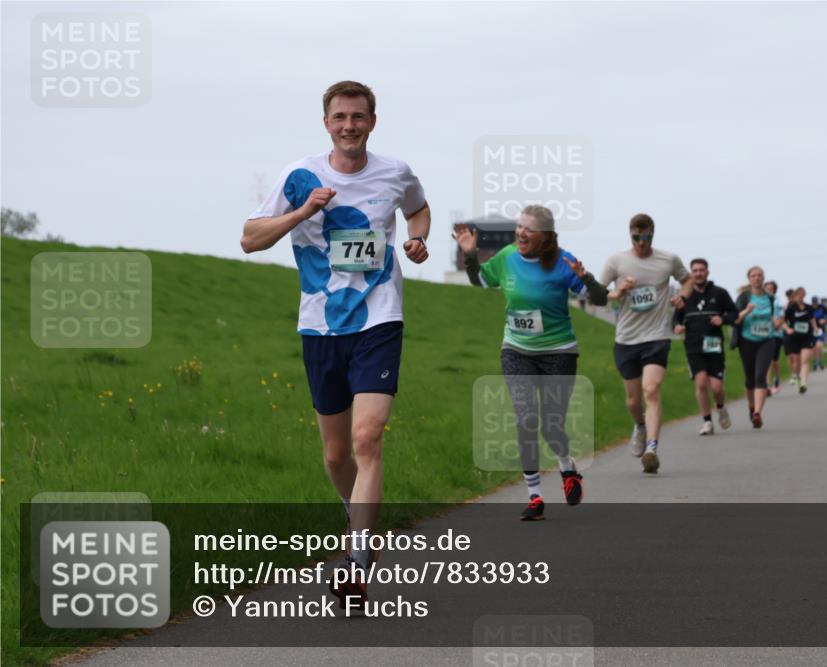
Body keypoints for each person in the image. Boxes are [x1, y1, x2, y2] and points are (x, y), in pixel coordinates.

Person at [241, 81, 431, 607]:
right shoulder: (300, 176)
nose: (350, 126)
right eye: (340, 117)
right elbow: (250, 239)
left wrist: (417, 238)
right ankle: (358, 518)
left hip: (379, 319)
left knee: (368, 438)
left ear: (373, 122)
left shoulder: (395, 172)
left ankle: (357, 560)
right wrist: (302, 212)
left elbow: (418, 208)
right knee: (336, 454)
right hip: (321, 327)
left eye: (359, 117)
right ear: (326, 123)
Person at [454, 205, 607, 520]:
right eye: (519, 227)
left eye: (528, 229)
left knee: (552, 425)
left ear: (545, 236)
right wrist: (470, 255)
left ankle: (567, 468)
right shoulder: (508, 256)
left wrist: (586, 278)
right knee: (526, 420)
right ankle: (534, 496)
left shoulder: (564, 262)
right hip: (516, 349)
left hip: (559, 352)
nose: (520, 233)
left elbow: (601, 299)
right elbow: (479, 280)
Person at [599, 214, 693, 473]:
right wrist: (618, 292)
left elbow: (687, 280)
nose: (641, 242)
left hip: (656, 336)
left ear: (653, 234)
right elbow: (597, 293)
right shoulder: (616, 261)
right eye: (636, 238)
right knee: (633, 401)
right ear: (630, 235)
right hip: (626, 339)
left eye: (647, 237)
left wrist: (683, 297)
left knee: (651, 389)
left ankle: (652, 449)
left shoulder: (667, 260)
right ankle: (640, 425)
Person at [672, 258, 739, 435]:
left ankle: (721, 407)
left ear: (707, 272)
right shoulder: (684, 296)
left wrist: (722, 319)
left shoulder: (720, 293)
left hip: (714, 345)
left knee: (716, 388)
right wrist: (677, 327)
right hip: (693, 346)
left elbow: (735, 313)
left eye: (702, 270)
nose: (698, 273)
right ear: (691, 274)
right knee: (701, 383)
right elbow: (675, 319)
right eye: (695, 271)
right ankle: (707, 422)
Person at [732, 266, 781, 429]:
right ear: (749, 279)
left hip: (767, 340)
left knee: (760, 375)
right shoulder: (744, 297)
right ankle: (751, 407)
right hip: (747, 341)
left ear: (764, 278)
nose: (757, 278)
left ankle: (757, 413)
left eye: (760, 275)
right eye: (754, 276)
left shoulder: (770, 298)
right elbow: (735, 320)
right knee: (750, 379)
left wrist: (776, 323)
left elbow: (773, 316)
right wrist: (746, 311)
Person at [783, 288, 818, 393]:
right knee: (797, 361)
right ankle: (796, 377)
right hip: (794, 337)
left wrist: (815, 328)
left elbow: (812, 319)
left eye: (802, 294)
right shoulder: (791, 308)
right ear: (795, 295)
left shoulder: (809, 307)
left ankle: (803, 383)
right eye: (798, 294)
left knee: (804, 360)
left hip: (807, 337)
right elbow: (783, 321)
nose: (800, 296)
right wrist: (787, 329)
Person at [763, 281, 784, 394]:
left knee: (774, 360)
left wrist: (777, 324)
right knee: (768, 360)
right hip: (764, 334)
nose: (769, 290)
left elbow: (782, 316)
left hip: (776, 334)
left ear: (774, 290)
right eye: (767, 288)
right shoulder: (761, 300)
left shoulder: (778, 301)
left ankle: (777, 378)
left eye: (771, 288)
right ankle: (767, 385)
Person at [810, 296, 827, 371]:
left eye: (815, 303)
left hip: (821, 330)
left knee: (819, 346)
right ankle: (815, 362)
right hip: (812, 330)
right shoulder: (810, 308)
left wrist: (825, 320)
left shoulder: (822, 307)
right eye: (813, 303)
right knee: (814, 348)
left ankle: (821, 361)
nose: (814, 304)